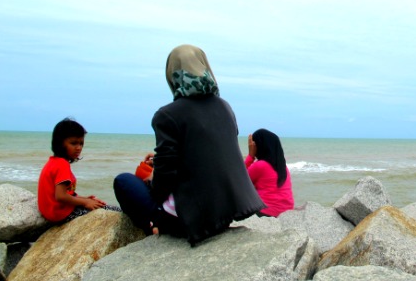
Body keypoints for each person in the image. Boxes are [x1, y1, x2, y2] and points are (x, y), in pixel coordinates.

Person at [114, 44, 265, 245]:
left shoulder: (167, 115)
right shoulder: (225, 107)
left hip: (192, 221)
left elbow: (166, 177)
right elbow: (208, 152)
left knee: (124, 181)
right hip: (226, 212)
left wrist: (152, 179)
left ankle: (154, 226)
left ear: (172, 74)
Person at [37, 118, 120, 223]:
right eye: (73, 143)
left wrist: (84, 199)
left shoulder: (53, 162)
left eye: (81, 143)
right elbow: (61, 196)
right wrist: (85, 203)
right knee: (115, 211)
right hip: (61, 214)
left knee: (101, 206)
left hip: (51, 213)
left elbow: (64, 193)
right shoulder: (62, 164)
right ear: (59, 143)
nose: (79, 147)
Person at [245, 128, 294, 217]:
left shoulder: (260, 166)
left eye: (254, 144)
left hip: (266, 212)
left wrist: (250, 156)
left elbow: (239, 180)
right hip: (286, 212)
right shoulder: (283, 167)